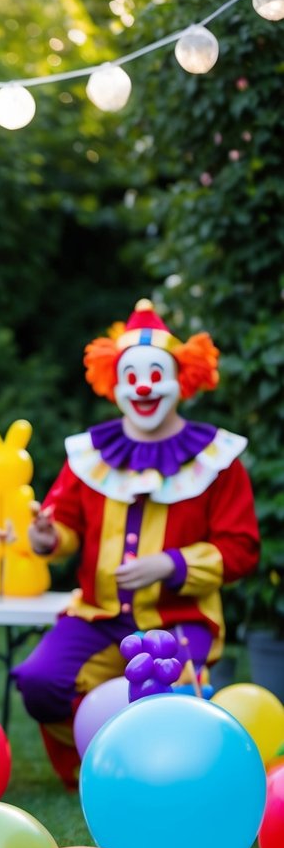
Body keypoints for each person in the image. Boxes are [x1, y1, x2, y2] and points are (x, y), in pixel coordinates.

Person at [14, 299, 260, 787]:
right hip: (97, 616)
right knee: (40, 683)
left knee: (170, 702)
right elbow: (61, 524)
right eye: (131, 376)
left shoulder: (218, 459)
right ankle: (100, 767)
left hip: (180, 618)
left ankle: (168, 780)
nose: (143, 386)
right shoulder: (89, 455)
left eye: (154, 374)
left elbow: (241, 548)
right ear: (116, 384)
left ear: (181, 380)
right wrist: (47, 538)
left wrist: (170, 565)